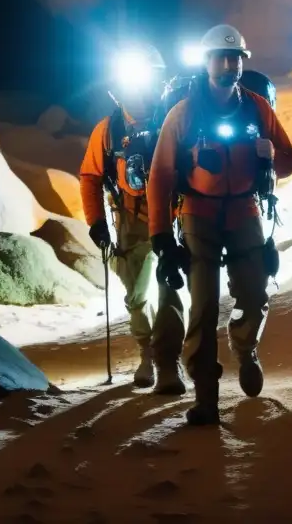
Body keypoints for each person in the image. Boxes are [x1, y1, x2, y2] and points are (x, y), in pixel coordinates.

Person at [147, 24, 292, 426]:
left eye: (235, 59)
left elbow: (289, 160)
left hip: (245, 209)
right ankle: (205, 396)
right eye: (221, 58)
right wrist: (161, 235)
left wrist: (272, 156)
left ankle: (245, 346)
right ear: (207, 62)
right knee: (203, 305)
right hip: (198, 212)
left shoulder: (257, 108)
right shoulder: (184, 113)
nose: (229, 65)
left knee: (254, 290)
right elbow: (160, 174)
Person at [79, 43, 186, 395]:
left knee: (168, 288)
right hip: (130, 217)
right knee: (137, 295)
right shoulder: (107, 131)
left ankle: (167, 363)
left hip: (172, 214)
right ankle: (146, 351)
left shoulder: (175, 120)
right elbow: (91, 177)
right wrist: (96, 221)